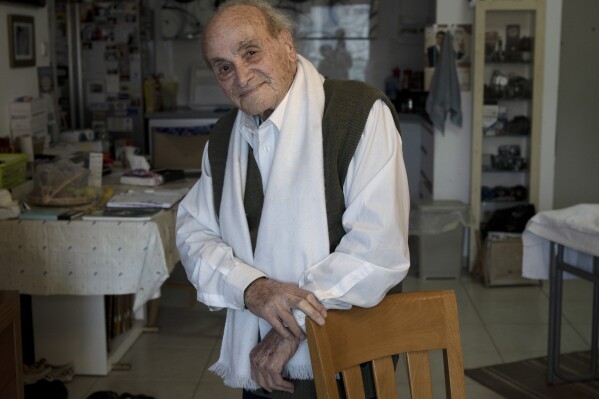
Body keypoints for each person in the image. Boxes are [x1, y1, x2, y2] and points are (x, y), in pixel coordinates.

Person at [175, 0, 410, 398]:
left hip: (350, 356)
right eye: (223, 67)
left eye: (250, 52)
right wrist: (251, 289)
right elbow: (193, 233)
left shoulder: (359, 113)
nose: (241, 76)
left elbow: (376, 251)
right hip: (261, 363)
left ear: (286, 44)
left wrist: (289, 330)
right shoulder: (223, 138)